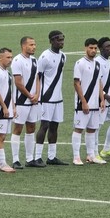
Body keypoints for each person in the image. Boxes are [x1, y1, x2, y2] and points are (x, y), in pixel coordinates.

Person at [35, 30, 68, 166]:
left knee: (55, 126)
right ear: (51, 41)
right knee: (44, 126)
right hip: (46, 97)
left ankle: (52, 156)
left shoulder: (63, 56)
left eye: (62, 39)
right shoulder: (44, 56)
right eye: (58, 40)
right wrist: (38, 95)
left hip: (58, 98)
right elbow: (37, 76)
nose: (61, 42)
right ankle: (37, 157)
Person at [71, 38, 106, 165]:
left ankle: (91, 155)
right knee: (79, 128)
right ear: (85, 48)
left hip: (95, 104)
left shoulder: (97, 64)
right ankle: (76, 157)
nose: (93, 50)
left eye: (95, 48)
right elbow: (76, 83)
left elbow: (99, 82)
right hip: (83, 104)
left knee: (92, 129)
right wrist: (84, 101)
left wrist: (102, 99)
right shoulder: (80, 63)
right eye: (91, 48)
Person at [10, 36, 41, 169]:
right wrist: (29, 95)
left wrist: (37, 94)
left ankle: (30, 158)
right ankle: (15, 159)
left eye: (34, 44)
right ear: (24, 46)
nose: (34, 47)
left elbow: (37, 79)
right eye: (31, 45)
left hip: (33, 101)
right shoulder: (17, 60)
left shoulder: (34, 60)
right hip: (21, 101)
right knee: (18, 129)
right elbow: (18, 82)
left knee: (31, 128)